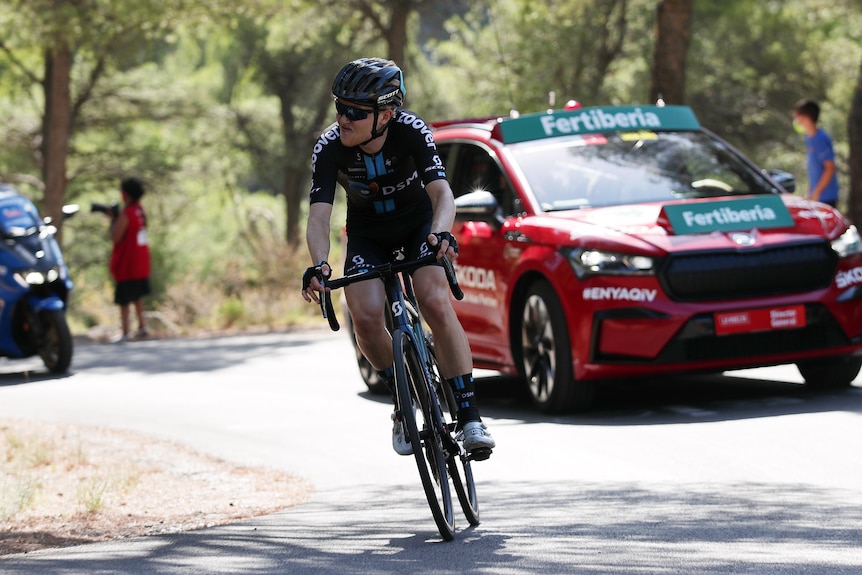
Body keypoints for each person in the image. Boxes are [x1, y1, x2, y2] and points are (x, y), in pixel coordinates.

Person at [301, 57, 495, 459]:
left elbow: (442, 195)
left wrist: (441, 233)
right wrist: (319, 263)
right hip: (368, 234)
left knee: (434, 300)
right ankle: (403, 401)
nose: (342, 118)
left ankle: (470, 414)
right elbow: (319, 217)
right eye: (339, 107)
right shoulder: (330, 146)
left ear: (386, 114)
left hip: (416, 225)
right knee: (366, 315)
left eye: (354, 111)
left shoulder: (411, 131)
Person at [106, 177, 151, 342]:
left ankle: (125, 332)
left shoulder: (127, 214)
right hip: (141, 260)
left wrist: (113, 220)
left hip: (127, 262)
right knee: (137, 295)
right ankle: (142, 326)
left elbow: (115, 237)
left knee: (124, 298)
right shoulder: (140, 210)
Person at [792, 98, 839, 207]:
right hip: (815, 197)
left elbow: (830, 168)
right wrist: (809, 193)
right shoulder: (809, 138)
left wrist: (817, 192)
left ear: (806, 117)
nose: (796, 120)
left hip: (826, 197)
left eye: (797, 116)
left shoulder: (820, 138)